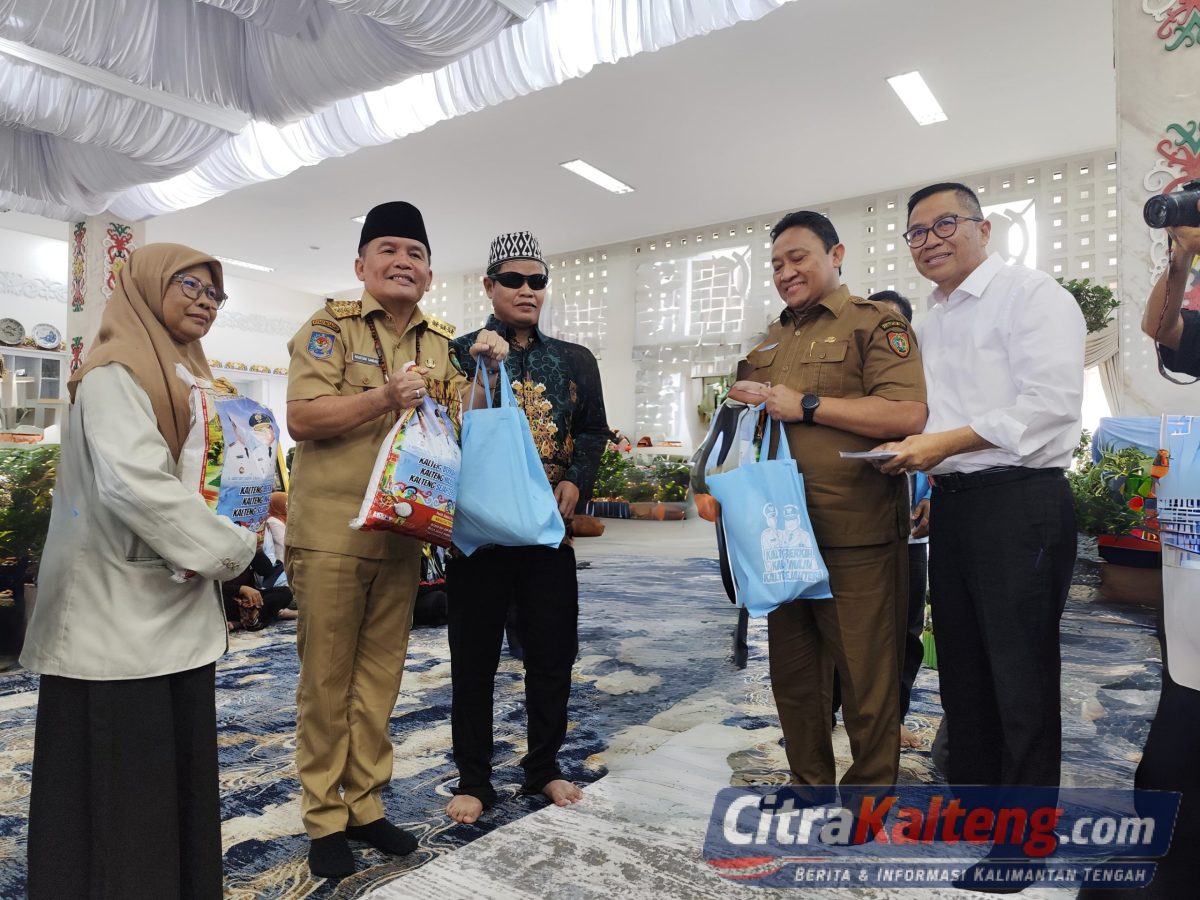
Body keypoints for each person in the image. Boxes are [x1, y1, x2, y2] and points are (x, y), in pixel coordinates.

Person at [20, 244, 258, 899]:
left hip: (170, 606)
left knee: (169, 781)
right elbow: (135, 485)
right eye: (191, 285)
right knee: (123, 790)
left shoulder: (187, 375)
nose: (206, 301)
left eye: (215, 293)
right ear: (148, 287)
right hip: (114, 620)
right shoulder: (115, 372)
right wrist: (230, 551)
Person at [285, 202, 507, 878]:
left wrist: (486, 370)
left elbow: (461, 423)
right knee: (327, 680)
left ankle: (366, 805)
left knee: (381, 677)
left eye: (415, 253)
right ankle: (324, 817)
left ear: (430, 273)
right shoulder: (329, 328)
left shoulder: (441, 343)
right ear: (361, 265)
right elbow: (301, 418)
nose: (402, 262)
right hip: (333, 533)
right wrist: (383, 397)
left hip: (404, 536)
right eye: (388, 249)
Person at [875, 182, 1085, 791]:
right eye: (917, 233)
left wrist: (941, 447)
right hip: (956, 507)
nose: (930, 241)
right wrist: (919, 460)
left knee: (1020, 675)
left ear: (983, 229)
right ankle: (972, 803)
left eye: (945, 225)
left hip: (1021, 503)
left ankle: (1023, 826)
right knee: (963, 670)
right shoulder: (930, 323)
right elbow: (934, 420)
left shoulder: (1031, 295)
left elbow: (1049, 405)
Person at [729, 210, 927, 794]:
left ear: (835, 255)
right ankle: (807, 784)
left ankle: (867, 797)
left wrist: (809, 405)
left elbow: (906, 413)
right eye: (776, 265)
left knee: (866, 676)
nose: (785, 272)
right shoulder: (770, 338)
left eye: (798, 258)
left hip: (855, 532)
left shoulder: (875, 323)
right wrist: (741, 399)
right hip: (783, 532)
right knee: (794, 676)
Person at [444, 230, 609, 825]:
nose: (526, 290)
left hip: (547, 532)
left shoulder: (575, 359)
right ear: (490, 286)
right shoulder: (458, 350)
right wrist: (480, 369)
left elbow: (592, 430)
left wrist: (577, 482)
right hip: (480, 535)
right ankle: (474, 777)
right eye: (513, 280)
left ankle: (543, 767)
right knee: (473, 659)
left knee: (551, 654)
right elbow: (444, 428)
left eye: (537, 281)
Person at [867, 289, 931, 750]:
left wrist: (936, 495)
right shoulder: (853, 384)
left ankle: (895, 717)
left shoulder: (923, 382)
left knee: (907, 631)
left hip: (910, 532)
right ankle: (839, 711)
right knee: (853, 627)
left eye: (895, 326)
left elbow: (944, 441)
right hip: (857, 530)